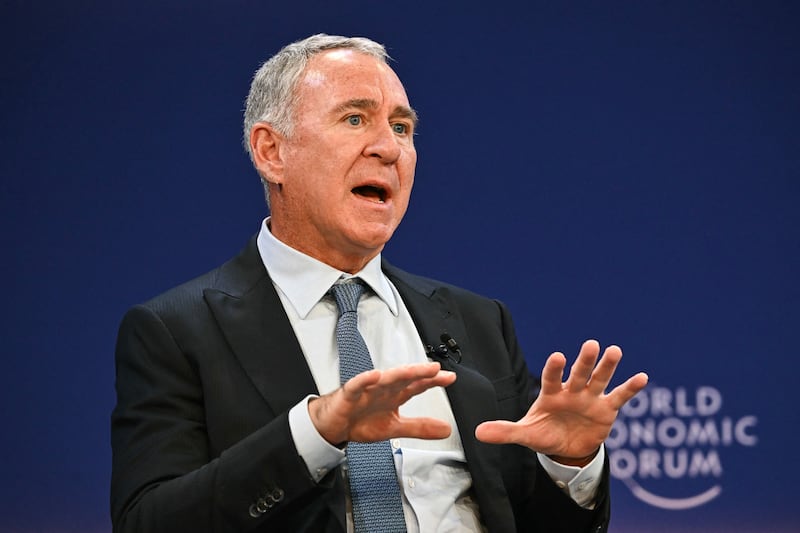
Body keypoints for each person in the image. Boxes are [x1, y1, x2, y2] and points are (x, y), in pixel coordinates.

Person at [110, 34, 648, 533]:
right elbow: (147, 523)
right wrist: (315, 432)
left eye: (401, 128)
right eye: (354, 119)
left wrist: (569, 464)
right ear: (272, 152)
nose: (388, 148)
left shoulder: (478, 321)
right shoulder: (176, 331)